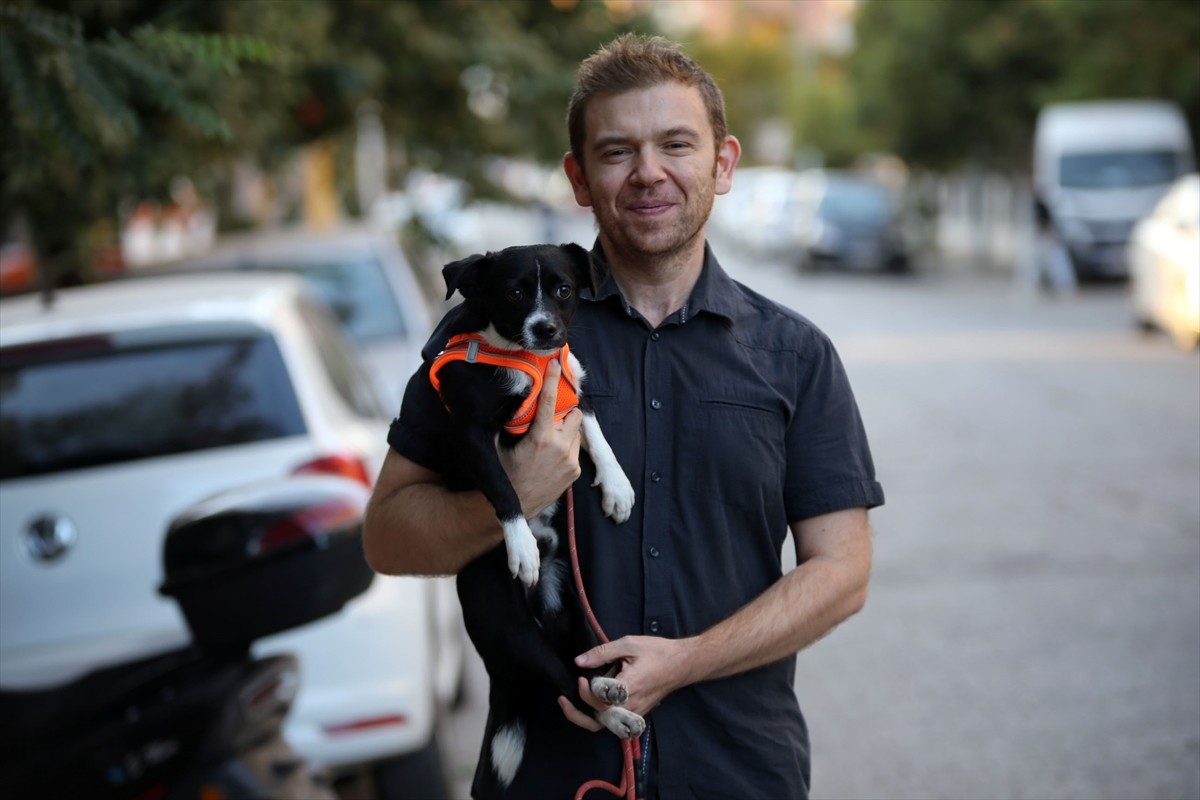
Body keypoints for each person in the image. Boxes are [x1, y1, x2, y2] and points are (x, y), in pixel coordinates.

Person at [364, 33, 884, 799]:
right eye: (617, 152)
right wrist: (512, 494)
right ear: (578, 177)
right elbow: (386, 536)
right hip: (547, 776)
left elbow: (842, 573)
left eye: (677, 144)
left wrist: (686, 661)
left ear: (723, 163)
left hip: (738, 772)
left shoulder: (795, 356)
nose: (649, 173)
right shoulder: (486, 341)